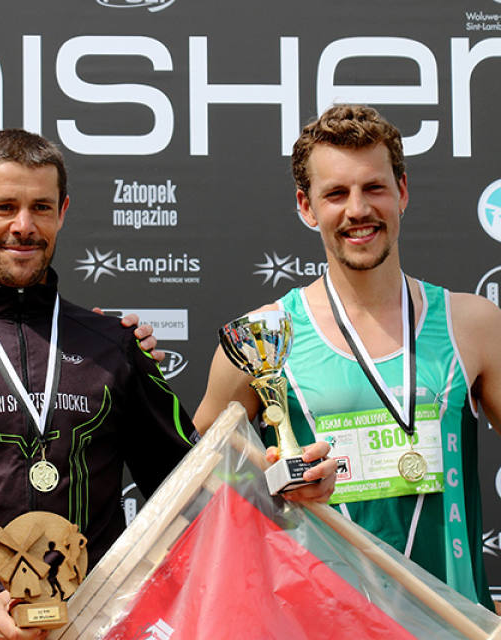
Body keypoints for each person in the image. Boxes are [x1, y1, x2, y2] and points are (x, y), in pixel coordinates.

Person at [0, 129, 332, 640]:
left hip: (103, 630)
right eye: (4, 207)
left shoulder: (114, 346)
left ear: (63, 211)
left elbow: (196, 488)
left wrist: (283, 486)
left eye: (41, 207)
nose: (23, 226)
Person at [193, 104, 501, 608]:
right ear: (307, 207)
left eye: (374, 188)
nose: (358, 210)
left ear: (402, 192)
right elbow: (196, 483)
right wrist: (276, 483)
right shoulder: (261, 339)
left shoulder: (472, 325)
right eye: (336, 194)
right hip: (319, 624)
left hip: (457, 625)